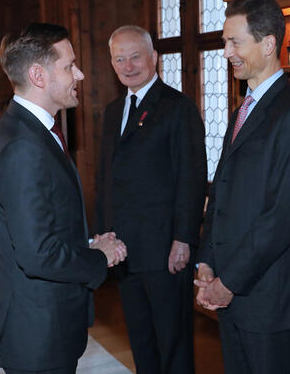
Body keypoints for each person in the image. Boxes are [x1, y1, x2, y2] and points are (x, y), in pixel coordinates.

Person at [0, 22, 127, 374]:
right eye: (68, 66)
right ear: (38, 75)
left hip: (46, 322)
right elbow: (37, 255)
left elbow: (42, 227)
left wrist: (88, 244)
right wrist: (100, 258)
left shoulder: (29, 131)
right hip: (39, 331)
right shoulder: (23, 147)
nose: (79, 74)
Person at [195, 0, 290, 374]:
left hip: (265, 299)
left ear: (268, 44)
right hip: (229, 291)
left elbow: (285, 214)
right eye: (224, 41)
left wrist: (229, 282)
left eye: (234, 42)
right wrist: (205, 260)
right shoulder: (241, 110)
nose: (226, 51)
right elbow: (220, 192)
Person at [94, 25, 206, 374]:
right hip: (124, 249)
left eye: (135, 56)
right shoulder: (113, 111)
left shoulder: (177, 108)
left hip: (164, 249)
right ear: (112, 64)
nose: (128, 66)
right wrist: (104, 236)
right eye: (119, 59)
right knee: (141, 340)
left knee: (172, 343)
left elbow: (192, 178)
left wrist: (184, 239)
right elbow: (106, 179)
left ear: (153, 57)